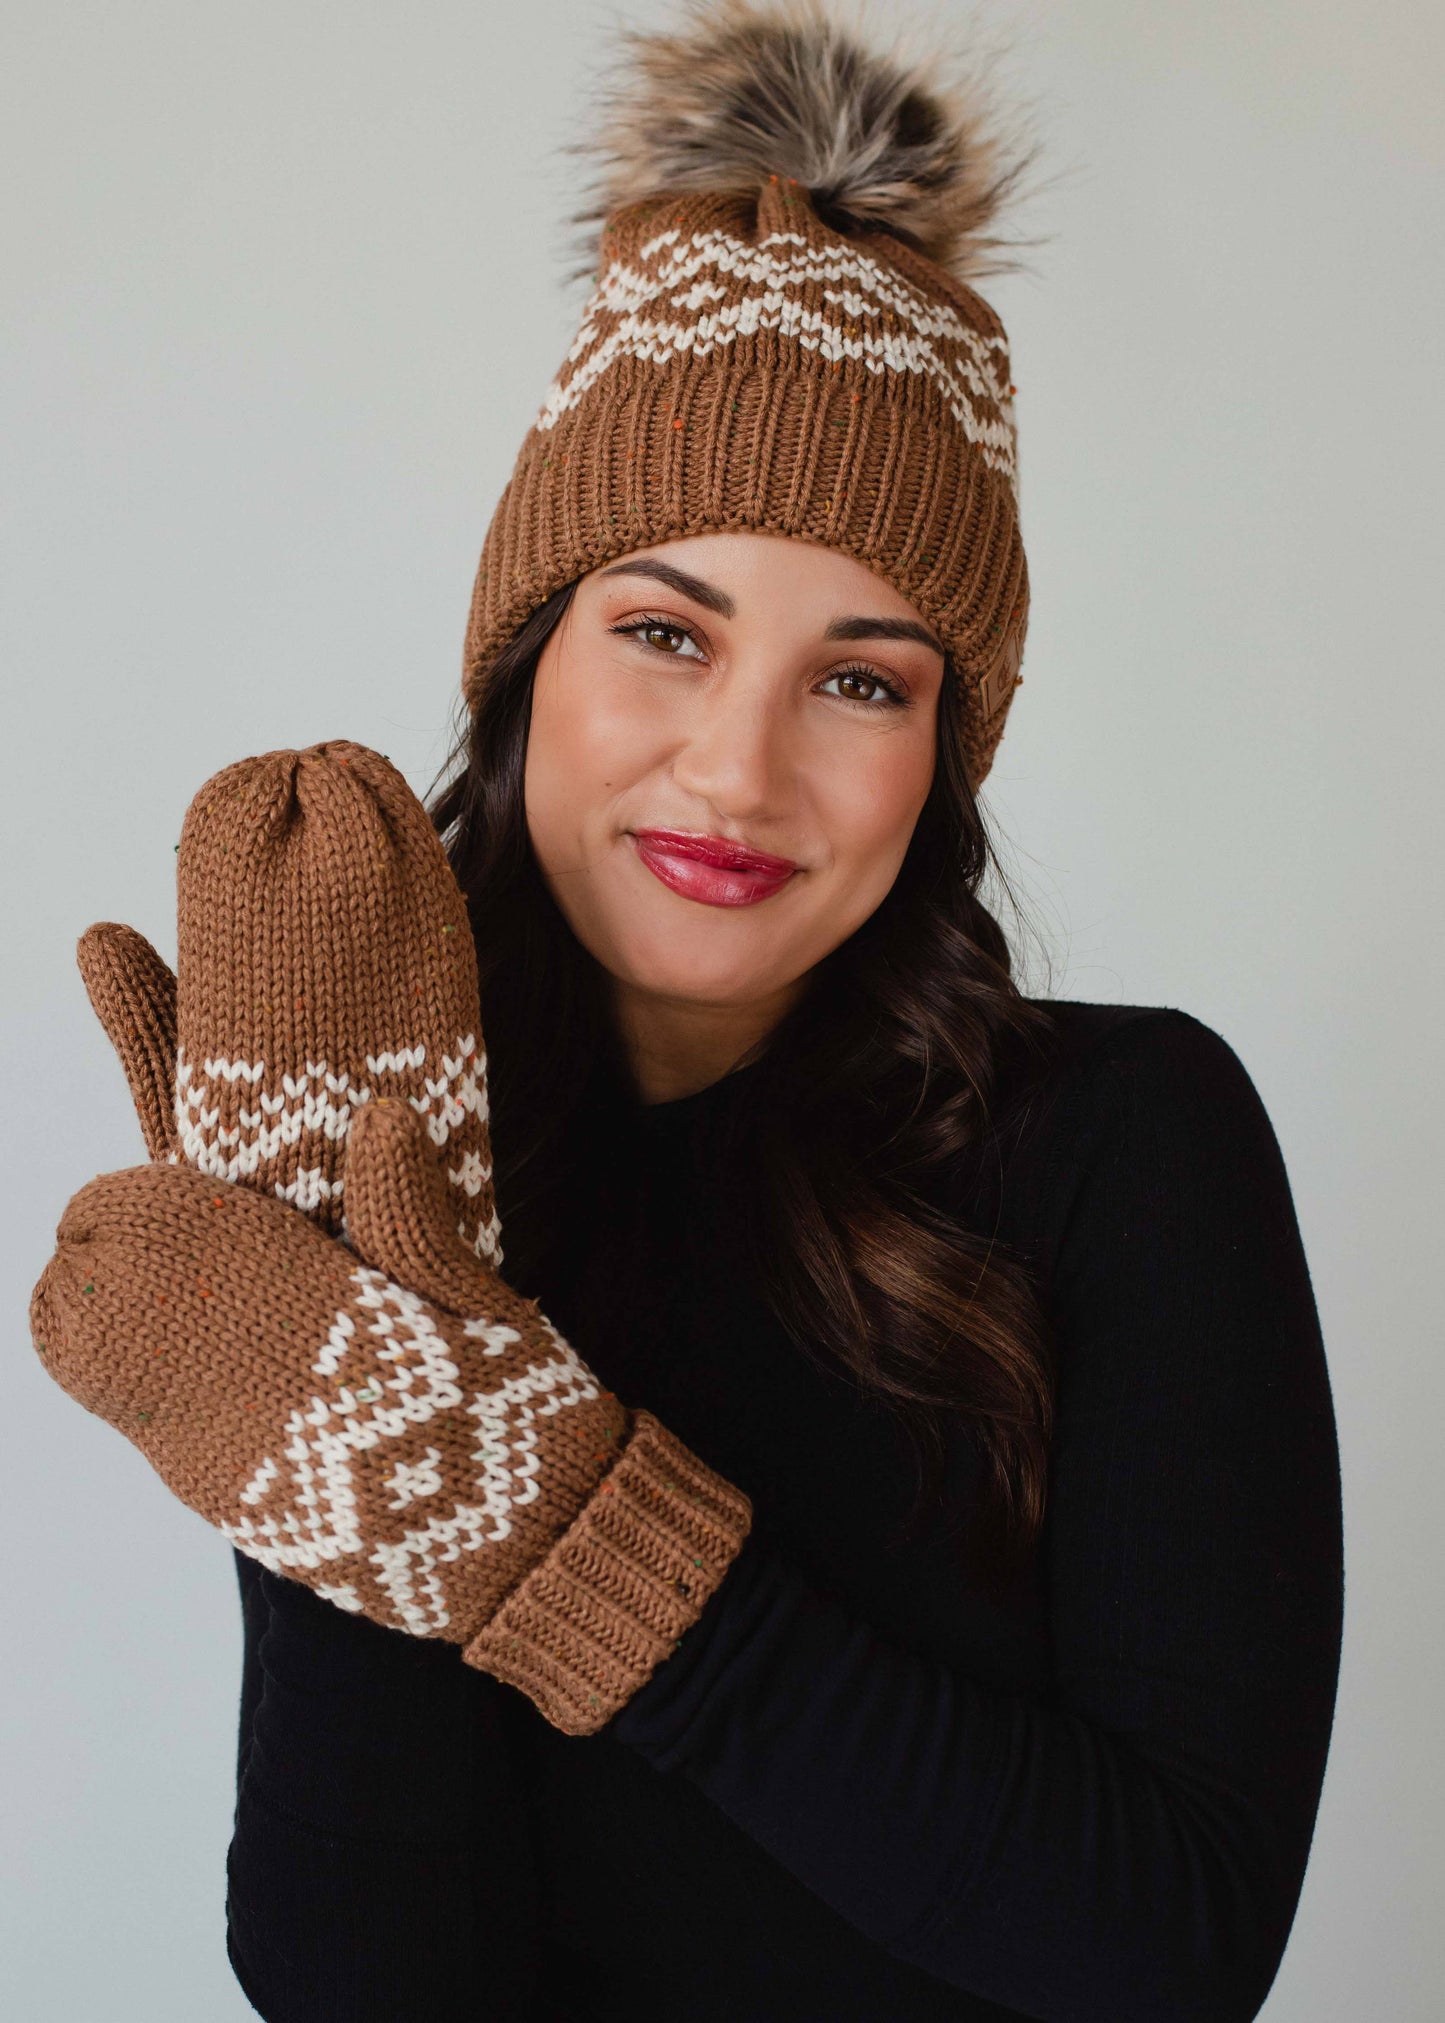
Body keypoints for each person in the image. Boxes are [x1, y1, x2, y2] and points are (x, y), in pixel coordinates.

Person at [31, 4, 1344, 2019]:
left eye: (863, 676)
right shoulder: (385, 1130)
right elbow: (366, 1989)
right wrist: (358, 1372)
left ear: (945, 751)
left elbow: (1169, 1948)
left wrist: (558, 1519)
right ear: (528, 660)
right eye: (665, 631)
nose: (739, 772)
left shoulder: (1129, 1140)